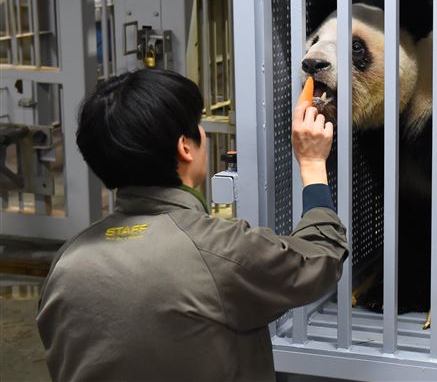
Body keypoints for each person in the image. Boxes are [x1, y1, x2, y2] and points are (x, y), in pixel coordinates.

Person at [36, 69, 347, 382]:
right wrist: (312, 163)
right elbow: (322, 258)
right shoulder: (219, 250)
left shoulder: (66, 263)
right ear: (185, 147)